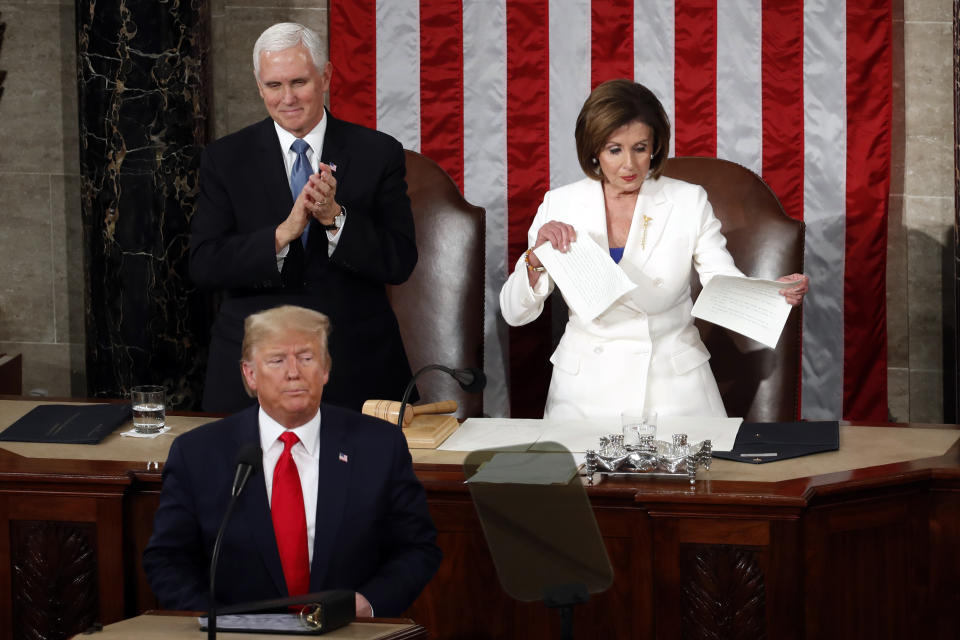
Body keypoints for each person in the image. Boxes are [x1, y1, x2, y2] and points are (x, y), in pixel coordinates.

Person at [500, 79, 809, 420]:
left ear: (656, 147)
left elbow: (721, 279)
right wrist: (536, 258)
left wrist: (772, 294)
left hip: (675, 391)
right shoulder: (560, 204)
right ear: (594, 150)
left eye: (640, 148)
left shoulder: (688, 200)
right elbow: (516, 313)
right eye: (614, 149)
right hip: (584, 392)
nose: (629, 165)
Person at [143, 305, 441, 617]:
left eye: (306, 357)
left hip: (348, 635)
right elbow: (167, 560)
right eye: (277, 360)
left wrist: (369, 603)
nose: (293, 372)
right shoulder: (198, 454)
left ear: (325, 369)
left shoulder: (379, 447)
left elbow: (417, 549)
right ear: (250, 373)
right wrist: (215, 625)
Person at [190, 22, 417, 414]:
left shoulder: (378, 153)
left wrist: (335, 218)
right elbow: (204, 265)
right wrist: (281, 235)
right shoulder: (224, 159)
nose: (288, 98)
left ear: (326, 76)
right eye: (274, 85)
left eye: (299, 81)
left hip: (356, 367)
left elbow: (399, 261)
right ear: (259, 87)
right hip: (255, 371)